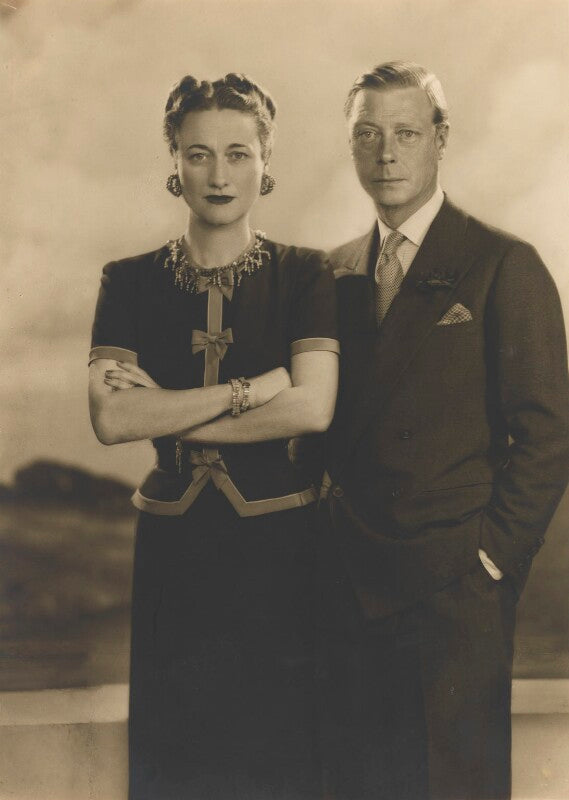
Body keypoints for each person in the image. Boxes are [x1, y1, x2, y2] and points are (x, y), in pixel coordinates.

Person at [317, 61, 569, 800]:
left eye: (405, 133)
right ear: (350, 144)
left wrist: (490, 561)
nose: (386, 153)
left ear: (440, 138)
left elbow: (549, 434)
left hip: (454, 592)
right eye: (367, 135)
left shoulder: (502, 263)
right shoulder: (332, 273)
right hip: (349, 586)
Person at [88, 73, 339, 800]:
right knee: (175, 755)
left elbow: (312, 409)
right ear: (174, 162)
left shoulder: (306, 274)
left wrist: (167, 409)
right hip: (173, 546)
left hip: (281, 547)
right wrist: (247, 391)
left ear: (266, 160)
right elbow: (112, 420)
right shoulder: (127, 281)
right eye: (198, 154)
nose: (219, 175)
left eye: (238, 153)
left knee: (278, 754)